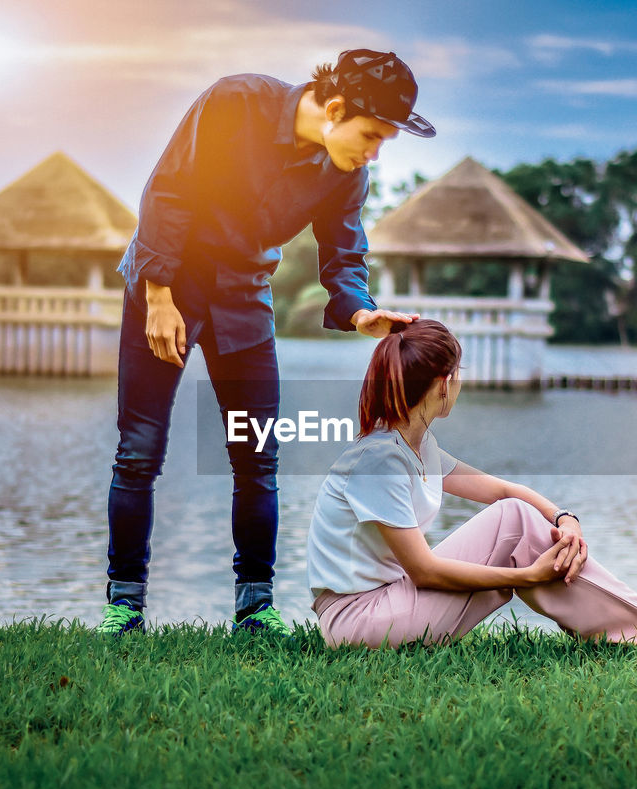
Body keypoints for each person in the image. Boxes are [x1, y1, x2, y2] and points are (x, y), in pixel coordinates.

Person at [98, 50, 434, 638]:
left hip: (243, 295)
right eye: (372, 135)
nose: (375, 152)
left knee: (256, 457)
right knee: (140, 451)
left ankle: (254, 609)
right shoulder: (236, 102)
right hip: (168, 282)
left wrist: (359, 314)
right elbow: (169, 190)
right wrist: (157, 296)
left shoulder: (345, 172)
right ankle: (124, 607)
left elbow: (344, 256)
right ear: (335, 109)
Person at [306, 320, 637, 649]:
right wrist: (528, 575)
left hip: (390, 604)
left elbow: (501, 490)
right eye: (457, 375)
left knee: (517, 516)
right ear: (442, 385)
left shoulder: (415, 447)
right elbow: (425, 570)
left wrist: (565, 519)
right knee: (513, 521)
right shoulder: (379, 461)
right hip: (359, 621)